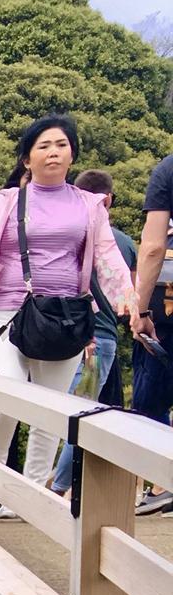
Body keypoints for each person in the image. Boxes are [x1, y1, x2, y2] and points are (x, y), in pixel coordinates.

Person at [0, 114, 135, 494]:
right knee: (7, 397)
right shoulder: (6, 204)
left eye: (61, 145)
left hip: (65, 318)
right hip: (7, 314)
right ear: (27, 159)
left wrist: (128, 301)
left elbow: (107, 256)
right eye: (43, 146)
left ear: (72, 155)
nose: (53, 153)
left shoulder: (89, 205)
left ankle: (26, 497)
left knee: (50, 412)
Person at [48, 170, 135, 496]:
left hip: (62, 336)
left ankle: (55, 483)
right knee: (82, 411)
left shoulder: (67, 235)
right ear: (108, 199)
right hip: (101, 340)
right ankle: (58, 485)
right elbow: (131, 297)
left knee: (67, 412)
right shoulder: (123, 242)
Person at [133, 127, 173, 432]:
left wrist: (141, 311)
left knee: (150, 409)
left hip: (168, 317)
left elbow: (153, 248)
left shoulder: (167, 169)